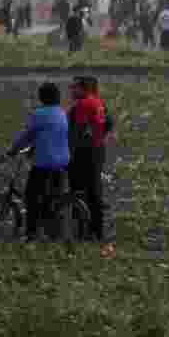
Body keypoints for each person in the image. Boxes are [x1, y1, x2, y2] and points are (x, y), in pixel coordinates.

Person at [5, 83, 70, 242]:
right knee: (53, 197)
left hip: (44, 162)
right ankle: (53, 231)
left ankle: (31, 233)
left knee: (31, 197)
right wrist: (34, 147)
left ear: (41, 98)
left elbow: (26, 135)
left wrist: (12, 150)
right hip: (62, 161)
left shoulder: (39, 114)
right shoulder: (62, 113)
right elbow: (49, 135)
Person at [68, 76, 114, 243]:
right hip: (98, 150)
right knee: (94, 189)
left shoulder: (83, 104)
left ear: (83, 89)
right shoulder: (98, 102)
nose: (71, 91)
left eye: (74, 88)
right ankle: (96, 230)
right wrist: (98, 137)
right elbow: (109, 122)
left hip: (85, 153)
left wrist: (69, 152)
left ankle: (83, 230)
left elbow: (76, 132)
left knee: (79, 190)